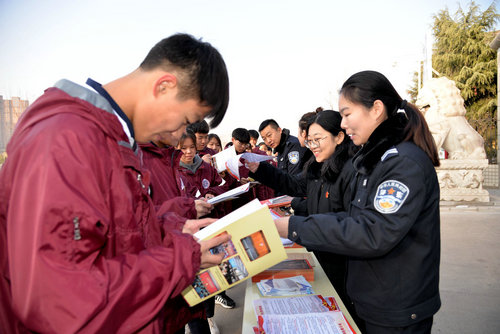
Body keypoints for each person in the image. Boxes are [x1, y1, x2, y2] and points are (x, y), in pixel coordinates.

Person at [0, 33, 231, 333]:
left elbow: (114, 236)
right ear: (163, 86)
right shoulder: (66, 140)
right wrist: (182, 260)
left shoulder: (115, 141)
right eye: (185, 119)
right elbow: (60, 301)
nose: (179, 135)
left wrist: (173, 229)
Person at [274, 70, 441, 333]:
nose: (342, 123)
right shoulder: (375, 160)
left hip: (395, 309)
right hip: (374, 299)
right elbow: (353, 219)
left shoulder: (402, 163)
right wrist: (295, 223)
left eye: (347, 113)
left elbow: (373, 231)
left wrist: (294, 227)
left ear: (376, 109)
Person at [245, 110, 357, 313]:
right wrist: (260, 170)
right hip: (322, 253)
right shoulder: (317, 167)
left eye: (318, 140)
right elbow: (293, 184)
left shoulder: (351, 172)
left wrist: (294, 225)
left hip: (345, 266)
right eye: (310, 140)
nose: (312, 146)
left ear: (339, 137)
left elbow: (346, 224)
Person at [258, 119, 307, 195]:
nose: (268, 141)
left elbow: (293, 181)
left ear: (279, 130)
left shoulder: (293, 146)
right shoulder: (281, 148)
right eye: (264, 139)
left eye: (269, 135)